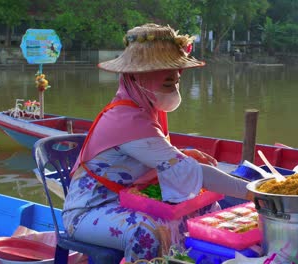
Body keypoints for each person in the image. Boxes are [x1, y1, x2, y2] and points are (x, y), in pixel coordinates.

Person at [62, 23, 251, 262]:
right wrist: (252, 192)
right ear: (136, 75)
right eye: (163, 71)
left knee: (203, 211)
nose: (176, 75)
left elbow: (157, 155)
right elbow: (188, 170)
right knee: (147, 231)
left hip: (129, 198)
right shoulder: (126, 118)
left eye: (176, 69)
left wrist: (185, 153)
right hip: (89, 211)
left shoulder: (147, 108)